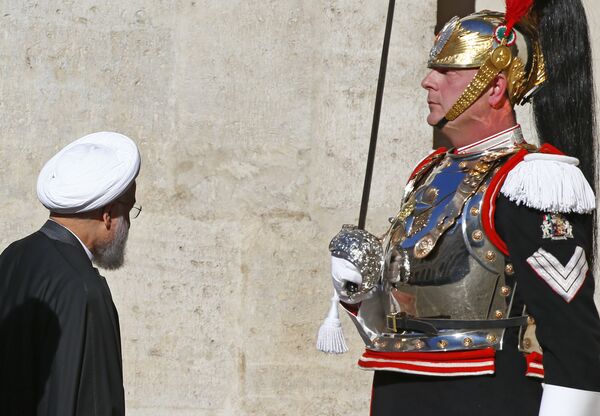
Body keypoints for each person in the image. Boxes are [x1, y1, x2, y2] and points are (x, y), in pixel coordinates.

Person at [323, 1, 600, 415]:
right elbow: (400, 327)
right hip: (401, 392)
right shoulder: (428, 174)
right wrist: (361, 292)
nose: (427, 82)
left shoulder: (533, 183)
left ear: (494, 87)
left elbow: (573, 337)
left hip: (484, 394)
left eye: (447, 71)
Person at [0, 131, 141, 415]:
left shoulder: (12, 256)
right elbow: (97, 401)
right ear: (108, 214)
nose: (129, 222)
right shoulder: (85, 289)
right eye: (129, 209)